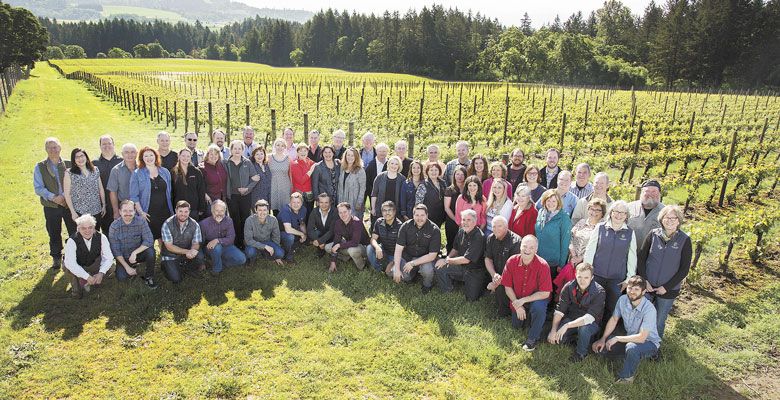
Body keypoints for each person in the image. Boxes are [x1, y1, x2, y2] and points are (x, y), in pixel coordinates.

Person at [593, 275, 661, 384]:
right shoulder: (623, 299)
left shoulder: (649, 309)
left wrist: (617, 338)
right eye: (630, 288)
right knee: (603, 350)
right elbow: (614, 319)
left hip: (648, 342)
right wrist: (603, 339)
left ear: (643, 292)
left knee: (631, 348)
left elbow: (642, 337)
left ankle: (627, 378)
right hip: (630, 337)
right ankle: (631, 356)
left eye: (636, 289)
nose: (632, 292)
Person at [637, 205, 692, 339]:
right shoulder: (653, 234)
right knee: (641, 317)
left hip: (668, 290)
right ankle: (636, 343)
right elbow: (642, 258)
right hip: (648, 286)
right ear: (662, 219)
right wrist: (645, 281)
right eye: (667, 217)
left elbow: (684, 269)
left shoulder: (684, 240)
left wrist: (666, 287)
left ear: (678, 221)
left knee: (659, 321)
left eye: (674, 218)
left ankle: (653, 348)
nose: (670, 221)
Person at [584, 200, 637, 318]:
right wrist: (587, 272)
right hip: (597, 275)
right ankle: (589, 334)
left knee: (612, 309)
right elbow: (590, 250)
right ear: (611, 213)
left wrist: (629, 278)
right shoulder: (600, 228)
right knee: (593, 306)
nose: (619, 215)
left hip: (617, 279)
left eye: (622, 213)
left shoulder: (630, 232)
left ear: (626, 216)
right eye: (616, 212)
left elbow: (632, 257)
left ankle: (605, 335)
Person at [501, 235, 552, 351]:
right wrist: (517, 304)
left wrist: (523, 301)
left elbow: (545, 293)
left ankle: (532, 339)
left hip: (535, 300)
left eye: (531, 247)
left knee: (538, 307)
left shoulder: (543, 266)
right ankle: (532, 320)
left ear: (536, 250)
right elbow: (507, 287)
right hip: (517, 300)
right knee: (516, 326)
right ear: (520, 247)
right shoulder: (512, 261)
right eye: (525, 246)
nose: (527, 250)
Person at [548, 263, 606, 362]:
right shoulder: (569, 286)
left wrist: (566, 325)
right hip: (572, 318)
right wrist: (553, 330)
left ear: (592, 277)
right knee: (557, 340)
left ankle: (581, 353)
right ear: (575, 275)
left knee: (583, 329)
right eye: (579, 277)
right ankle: (576, 338)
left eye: (586, 277)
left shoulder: (599, 292)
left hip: (590, 323)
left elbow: (589, 317)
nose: (582, 280)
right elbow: (560, 309)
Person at [434, 209, 486, 301]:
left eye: (468, 220)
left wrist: (446, 260)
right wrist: (448, 258)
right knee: (440, 267)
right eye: (463, 220)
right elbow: (455, 249)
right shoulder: (461, 231)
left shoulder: (479, 237)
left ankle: (476, 283)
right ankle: (448, 290)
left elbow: (466, 259)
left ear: (475, 222)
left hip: (474, 270)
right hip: (461, 265)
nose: (465, 223)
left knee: (471, 299)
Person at [560, 198, 608, 295]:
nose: (594, 212)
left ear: (602, 212)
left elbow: (599, 247)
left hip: (587, 263)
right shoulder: (581, 222)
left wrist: (580, 259)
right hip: (572, 260)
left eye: (598, 210)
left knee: (581, 289)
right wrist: (573, 256)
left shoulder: (604, 227)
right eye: (591, 209)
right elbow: (570, 238)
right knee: (566, 286)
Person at [392, 204, 441, 293]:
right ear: (413, 215)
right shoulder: (405, 226)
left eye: (422, 215)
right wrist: (397, 268)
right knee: (396, 273)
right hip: (408, 256)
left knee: (427, 270)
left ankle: (427, 285)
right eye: (417, 215)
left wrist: (413, 263)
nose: (419, 218)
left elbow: (432, 256)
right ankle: (411, 277)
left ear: (427, 215)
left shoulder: (434, 230)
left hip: (425, 259)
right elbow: (398, 249)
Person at [63, 215, 114, 299]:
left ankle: (95, 277)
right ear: (78, 229)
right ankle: (77, 289)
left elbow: (109, 258)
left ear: (94, 228)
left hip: (93, 263)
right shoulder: (72, 241)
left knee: (112, 267)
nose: (87, 231)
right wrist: (87, 276)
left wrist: (101, 273)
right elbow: (70, 263)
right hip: (78, 264)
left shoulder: (101, 237)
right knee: (67, 266)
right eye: (83, 228)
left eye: (90, 227)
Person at [109, 200, 157, 288]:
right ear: (120, 211)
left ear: (135, 211)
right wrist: (127, 267)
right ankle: (138, 269)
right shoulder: (114, 226)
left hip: (138, 254)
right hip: (124, 257)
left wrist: (135, 253)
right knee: (122, 278)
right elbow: (116, 251)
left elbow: (149, 240)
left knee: (151, 252)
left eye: (130, 211)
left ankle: (149, 277)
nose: (128, 213)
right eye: (125, 211)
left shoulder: (141, 221)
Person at [130, 147, 173, 241]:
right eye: (146, 156)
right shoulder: (137, 174)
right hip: (147, 213)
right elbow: (134, 196)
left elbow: (170, 192)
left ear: (156, 156)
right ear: (142, 158)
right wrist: (141, 212)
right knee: (149, 240)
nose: (149, 158)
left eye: (151, 155)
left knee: (164, 237)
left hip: (164, 211)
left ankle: (163, 254)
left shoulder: (165, 172)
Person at [484, 216, 521, 317]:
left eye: (499, 226)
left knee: (502, 287)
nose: (496, 229)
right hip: (497, 273)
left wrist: (497, 282)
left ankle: (504, 313)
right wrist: (494, 274)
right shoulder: (490, 238)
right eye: (494, 226)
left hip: (512, 276)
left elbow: (515, 269)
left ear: (506, 227)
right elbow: (488, 259)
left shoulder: (516, 241)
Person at [160, 201, 205, 282]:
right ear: (176, 210)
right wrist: (187, 251)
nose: (183, 214)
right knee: (176, 279)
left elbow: (196, 243)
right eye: (180, 211)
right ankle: (166, 265)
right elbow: (169, 247)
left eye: (186, 211)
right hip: (170, 254)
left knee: (200, 257)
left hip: (186, 252)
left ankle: (186, 266)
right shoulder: (167, 224)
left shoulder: (195, 224)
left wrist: (193, 250)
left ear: (189, 212)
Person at [199, 200, 247, 276]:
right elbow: (200, 243)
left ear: (225, 211)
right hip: (210, 248)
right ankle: (216, 270)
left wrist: (217, 240)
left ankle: (218, 263)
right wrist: (201, 260)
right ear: (212, 211)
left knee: (242, 259)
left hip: (226, 246)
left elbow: (231, 238)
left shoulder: (228, 221)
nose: (219, 213)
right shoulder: (203, 224)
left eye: (222, 211)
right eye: (216, 211)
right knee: (217, 247)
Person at [225, 140, 258, 248]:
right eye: (235, 148)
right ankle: (236, 242)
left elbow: (255, 179)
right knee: (235, 219)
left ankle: (245, 241)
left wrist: (247, 189)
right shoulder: (226, 163)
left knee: (245, 218)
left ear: (243, 150)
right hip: (232, 196)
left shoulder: (247, 162)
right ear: (231, 150)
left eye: (240, 148)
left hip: (245, 196)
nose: (237, 150)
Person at [64, 148, 106, 233]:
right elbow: (67, 194)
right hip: (79, 211)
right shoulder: (69, 173)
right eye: (77, 157)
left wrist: (104, 204)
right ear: (74, 160)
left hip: (96, 209)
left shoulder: (95, 170)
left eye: (82, 156)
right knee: (82, 235)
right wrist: (72, 211)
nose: (80, 159)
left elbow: (100, 188)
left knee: (95, 234)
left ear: (86, 157)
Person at [535, 189, 572, 279]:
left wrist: (561, 264)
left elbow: (565, 242)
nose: (551, 203)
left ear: (558, 202)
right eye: (548, 200)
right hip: (538, 258)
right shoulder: (541, 212)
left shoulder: (564, 218)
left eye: (554, 201)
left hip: (553, 263)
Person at [326, 202, 369, 272]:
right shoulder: (338, 223)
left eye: (345, 212)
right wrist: (333, 262)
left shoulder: (357, 222)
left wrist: (339, 245)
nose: (343, 215)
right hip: (349, 244)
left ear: (350, 211)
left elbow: (355, 242)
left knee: (352, 250)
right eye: (340, 213)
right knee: (328, 247)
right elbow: (336, 240)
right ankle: (346, 257)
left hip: (363, 247)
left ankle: (362, 267)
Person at [93, 135, 121, 232]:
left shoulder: (122, 161)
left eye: (109, 143)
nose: (107, 146)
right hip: (102, 203)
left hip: (120, 202)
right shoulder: (94, 164)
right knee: (106, 231)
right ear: (100, 146)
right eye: (104, 144)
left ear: (113, 145)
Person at [244, 200, 284, 264]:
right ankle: (253, 258)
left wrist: (276, 251)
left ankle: (264, 254)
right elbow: (248, 240)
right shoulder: (249, 220)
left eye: (264, 210)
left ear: (268, 211)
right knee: (250, 252)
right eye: (260, 210)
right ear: (255, 210)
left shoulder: (273, 219)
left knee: (280, 253)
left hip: (267, 241)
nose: (262, 212)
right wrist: (264, 246)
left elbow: (276, 236)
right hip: (254, 243)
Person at [171, 148, 207, 220]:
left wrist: (201, 208)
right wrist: (173, 208)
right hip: (179, 209)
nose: (185, 158)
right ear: (179, 156)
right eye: (183, 156)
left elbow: (201, 190)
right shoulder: (173, 172)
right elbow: (172, 192)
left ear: (191, 157)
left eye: (188, 156)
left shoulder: (196, 172)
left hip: (193, 208)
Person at [107, 143, 138, 225]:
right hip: (125, 210)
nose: (130, 155)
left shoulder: (143, 168)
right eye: (126, 152)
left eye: (132, 152)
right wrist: (116, 211)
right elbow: (113, 192)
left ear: (137, 153)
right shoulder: (116, 170)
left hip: (141, 207)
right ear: (122, 154)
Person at [368, 201, 402, 273]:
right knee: (369, 248)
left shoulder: (400, 226)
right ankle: (378, 269)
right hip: (383, 252)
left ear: (394, 212)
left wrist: (393, 262)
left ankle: (388, 266)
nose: (387, 213)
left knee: (392, 273)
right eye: (384, 210)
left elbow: (403, 248)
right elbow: (373, 239)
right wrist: (377, 248)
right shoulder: (379, 222)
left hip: (395, 255)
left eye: (389, 210)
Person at [628, 179, 665, 246]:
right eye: (647, 191)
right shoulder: (629, 207)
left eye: (654, 191)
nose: (650, 194)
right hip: (629, 251)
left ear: (659, 193)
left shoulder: (666, 211)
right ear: (641, 193)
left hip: (653, 254)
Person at [370, 155, 404, 225]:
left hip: (395, 210)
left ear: (399, 166)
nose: (394, 166)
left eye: (396, 164)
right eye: (392, 163)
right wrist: (373, 208)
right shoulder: (380, 177)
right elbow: (374, 194)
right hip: (381, 209)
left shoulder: (402, 179)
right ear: (388, 164)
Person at [278, 192, 308, 263]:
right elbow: (288, 230)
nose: (296, 204)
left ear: (302, 203)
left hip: (293, 229)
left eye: (298, 202)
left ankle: (293, 247)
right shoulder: (286, 210)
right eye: (293, 202)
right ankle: (288, 256)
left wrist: (305, 235)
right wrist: (301, 234)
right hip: (280, 233)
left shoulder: (303, 209)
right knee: (290, 237)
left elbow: (302, 223)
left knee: (306, 237)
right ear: (290, 202)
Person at [337, 147, 366, 217]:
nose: (350, 157)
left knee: (352, 221)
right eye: (348, 155)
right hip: (341, 199)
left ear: (356, 157)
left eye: (352, 155)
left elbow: (363, 188)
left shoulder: (360, 170)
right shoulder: (342, 168)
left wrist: (359, 202)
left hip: (354, 201)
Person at [443, 165, 467, 252]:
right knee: (451, 242)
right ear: (454, 175)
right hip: (452, 220)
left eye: (462, 174)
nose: (460, 177)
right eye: (457, 174)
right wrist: (456, 220)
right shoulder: (449, 190)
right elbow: (447, 208)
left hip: (465, 221)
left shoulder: (467, 190)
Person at [415, 162, 447, 227]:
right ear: (427, 172)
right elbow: (418, 203)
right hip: (427, 216)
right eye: (431, 170)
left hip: (440, 215)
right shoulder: (423, 185)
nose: (434, 172)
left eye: (436, 170)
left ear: (439, 171)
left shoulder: (443, 183)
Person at [290, 143, 315, 217]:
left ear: (307, 152)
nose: (303, 153)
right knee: (300, 215)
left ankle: (309, 228)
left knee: (310, 214)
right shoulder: (294, 164)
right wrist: (310, 171)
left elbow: (318, 165)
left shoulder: (310, 162)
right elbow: (301, 180)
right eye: (300, 151)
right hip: (299, 194)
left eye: (305, 151)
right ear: (297, 152)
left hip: (309, 193)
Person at [202, 144, 228, 210]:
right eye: (211, 154)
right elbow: (199, 185)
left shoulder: (222, 165)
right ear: (207, 155)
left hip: (223, 199)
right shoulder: (202, 167)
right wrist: (205, 195)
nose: (214, 156)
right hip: (210, 200)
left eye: (216, 154)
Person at [268, 138, 292, 212]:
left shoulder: (288, 158)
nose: (280, 147)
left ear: (285, 147)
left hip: (285, 186)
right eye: (278, 145)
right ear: (274, 146)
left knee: (285, 209)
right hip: (273, 185)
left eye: (282, 145)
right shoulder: (269, 157)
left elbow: (291, 173)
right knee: (275, 209)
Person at [365, 142, 388, 209]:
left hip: (387, 194)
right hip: (373, 194)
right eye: (380, 151)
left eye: (384, 151)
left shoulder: (390, 164)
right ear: (376, 151)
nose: (382, 153)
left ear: (387, 152)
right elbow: (367, 182)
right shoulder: (371, 165)